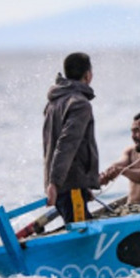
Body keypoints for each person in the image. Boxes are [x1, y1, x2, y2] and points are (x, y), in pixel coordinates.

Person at [43, 52, 99, 223]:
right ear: (88, 75)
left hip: (66, 185)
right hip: (67, 186)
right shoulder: (80, 104)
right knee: (82, 234)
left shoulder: (54, 102)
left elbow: (50, 145)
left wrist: (84, 184)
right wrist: (55, 183)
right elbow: (66, 144)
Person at [99, 111, 140, 210]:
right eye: (132, 131)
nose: (134, 136)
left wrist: (122, 170)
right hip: (130, 208)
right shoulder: (131, 152)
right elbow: (115, 166)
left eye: (138, 131)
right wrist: (96, 181)